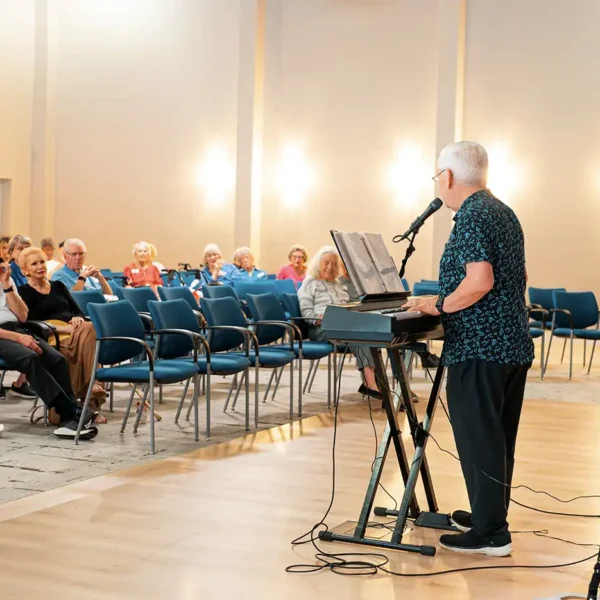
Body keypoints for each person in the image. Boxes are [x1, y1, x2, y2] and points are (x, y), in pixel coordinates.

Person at [405, 141, 533, 557]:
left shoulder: (472, 216)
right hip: (511, 344)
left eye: (436, 177)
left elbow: (480, 280)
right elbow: (520, 274)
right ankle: (488, 516)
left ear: (447, 177)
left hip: (480, 347)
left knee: (479, 438)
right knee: (496, 439)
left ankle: (491, 534)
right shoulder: (502, 211)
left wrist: (438, 304)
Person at [0, 260, 98, 439]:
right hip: (2, 335)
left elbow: (22, 316)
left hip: (17, 328)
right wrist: (18, 338)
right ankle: (71, 410)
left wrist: (7, 286)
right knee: (30, 358)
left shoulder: (6, 280)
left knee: (57, 359)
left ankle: (67, 422)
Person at [19, 247, 107, 423]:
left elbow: (77, 311)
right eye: (34, 264)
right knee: (89, 339)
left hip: (76, 332)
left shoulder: (58, 286)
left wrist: (77, 319)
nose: (39, 266)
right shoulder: (23, 292)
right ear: (25, 270)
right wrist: (62, 329)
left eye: (42, 261)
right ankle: (91, 393)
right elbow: (30, 324)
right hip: (51, 336)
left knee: (88, 327)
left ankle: (68, 408)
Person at [298, 246, 381, 398]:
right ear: (318, 263)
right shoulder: (309, 283)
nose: (330, 267)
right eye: (326, 263)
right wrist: (329, 317)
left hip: (343, 325)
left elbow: (347, 305)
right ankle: (371, 384)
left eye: (334, 264)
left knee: (372, 334)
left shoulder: (337, 283)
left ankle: (372, 382)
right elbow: (307, 314)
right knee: (359, 335)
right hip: (321, 328)